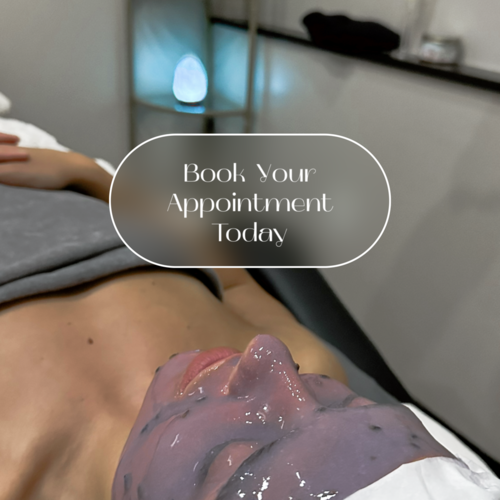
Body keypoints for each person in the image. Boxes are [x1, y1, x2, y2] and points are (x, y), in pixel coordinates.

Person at [0, 123, 497, 500]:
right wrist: (89, 174)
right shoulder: (311, 368)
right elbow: (235, 279)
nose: (267, 356)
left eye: (243, 453)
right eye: (342, 406)